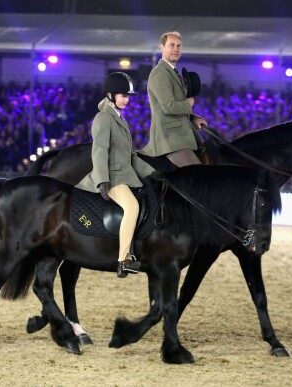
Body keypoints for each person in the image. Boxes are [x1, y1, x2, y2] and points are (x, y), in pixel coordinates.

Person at [76, 72, 155, 278]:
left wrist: (153, 170)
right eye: (123, 96)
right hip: (112, 177)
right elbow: (100, 149)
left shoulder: (119, 117)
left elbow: (126, 154)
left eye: (128, 96)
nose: (127, 100)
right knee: (132, 206)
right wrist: (102, 179)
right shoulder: (103, 118)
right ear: (110, 95)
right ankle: (123, 260)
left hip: (125, 174)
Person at [140, 31, 207, 167]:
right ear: (162, 48)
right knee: (198, 177)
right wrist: (189, 103)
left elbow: (175, 106)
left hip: (180, 136)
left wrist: (193, 118)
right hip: (171, 139)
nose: (176, 49)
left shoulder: (172, 72)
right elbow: (169, 107)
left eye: (178, 46)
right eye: (171, 45)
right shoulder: (160, 73)